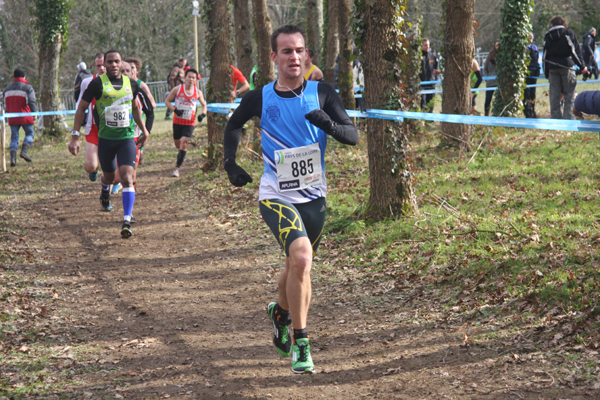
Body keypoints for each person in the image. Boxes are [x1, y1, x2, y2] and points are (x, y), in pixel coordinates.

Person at [223, 24, 358, 374]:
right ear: (274, 57)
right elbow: (234, 125)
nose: (294, 57)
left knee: (297, 266)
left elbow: (352, 135)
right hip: (276, 194)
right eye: (286, 51)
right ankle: (302, 343)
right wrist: (230, 163)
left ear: (307, 55)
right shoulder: (260, 96)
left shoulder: (322, 92)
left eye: (299, 50)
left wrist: (329, 125)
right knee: (300, 258)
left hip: (314, 196)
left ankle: (280, 314)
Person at [69, 50, 150, 238]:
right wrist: (75, 136)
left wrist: (144, 130)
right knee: (110, 177)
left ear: (122, 64)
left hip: (126, 139)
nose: (114, 65)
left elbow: (135, 107)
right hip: (105, 140)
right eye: (110, 62)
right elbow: (81, 108)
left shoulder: (131, 84)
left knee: (126, 178)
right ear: (105, 64)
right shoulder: (97, 84)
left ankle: (126, 221)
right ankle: (104, 187)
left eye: (117, 61)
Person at [543, 15, 587, 120]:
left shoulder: (548, 36)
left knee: (554, 98)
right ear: (563, 23)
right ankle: (569, 121)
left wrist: (546, 73)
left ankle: (556, 122)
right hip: (566, 67)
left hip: (552, 69)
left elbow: (545, 57)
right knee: (569, 95)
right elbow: (574, 51)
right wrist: (582, 67)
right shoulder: (567, 33)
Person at [165, 68, 207, 177]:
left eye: (193, 78)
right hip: (177, 121)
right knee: (178, 144)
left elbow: (204, 105)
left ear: (196, 80)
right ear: (185, 78)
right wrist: (175, 110)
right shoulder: (177, 89)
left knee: (184, 143)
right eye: (189, 77)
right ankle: (188, 142)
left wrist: (203, 114)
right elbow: (167, 101)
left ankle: (177, 168)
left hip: (190, 122)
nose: (191, 79)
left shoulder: (198, 92)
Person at [76, 53, 107, 183]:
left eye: (104, 65)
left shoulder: (118, 82)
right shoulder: (87, 82)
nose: (102, 68)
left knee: (110, 167)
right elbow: (80, 106)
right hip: (93, 128)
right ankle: (94, 169)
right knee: (90, 166)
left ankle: (110, 183)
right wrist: (75, 134)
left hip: (112, 128)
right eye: (99, 65)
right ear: (94, 66)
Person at [125, 56, 156, 165]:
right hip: (125, 123)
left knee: (138, 152)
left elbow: (152, 104)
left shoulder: (141, 85)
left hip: (138, 124)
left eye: (132, 68)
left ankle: (138, 158)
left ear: (136, 70)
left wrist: (139, 110)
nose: (129, 71)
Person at [3, 69, 37, 167]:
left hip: (12, 117)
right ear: (23, 77)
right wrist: (34, 113)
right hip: (25, 116)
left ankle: (13, 159)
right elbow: (32, 101)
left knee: (14, 137)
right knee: (30, 134)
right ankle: (24, 152)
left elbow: (5, 106)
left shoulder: (7, 89)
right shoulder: (27, 88)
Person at [419, 38, 440, 113]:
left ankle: (430, 118)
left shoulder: (433, 56)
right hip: (422, 85)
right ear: (421, 46)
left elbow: (436, 70)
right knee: (423, 104)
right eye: (425, 45)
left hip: (431, 85)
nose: (427, 47)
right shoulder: (419, 57)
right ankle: (423, 118)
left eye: (428, 45)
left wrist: (436, 80)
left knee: (431, 104)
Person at [524, 33, 540, 118]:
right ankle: (527, 112)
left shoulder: (535, 47)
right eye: (528, 36)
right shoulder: (524, 47)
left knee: (533, 94)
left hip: (534, 73)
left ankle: (532, 110)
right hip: (526, 73)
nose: (530, 38)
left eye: (531, 37)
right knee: (526, 93)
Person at [483, 40, 500, 116]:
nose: (498, 47)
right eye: (496, 45)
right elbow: (485, 68)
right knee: (488, 100)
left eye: (499, 45)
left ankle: (498, 114)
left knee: (499, 100)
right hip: (490, 83)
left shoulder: (503, 56)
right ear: (494, 46)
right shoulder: (490, 56)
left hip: (499, 82)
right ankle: (486, 114)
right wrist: (487, 78)